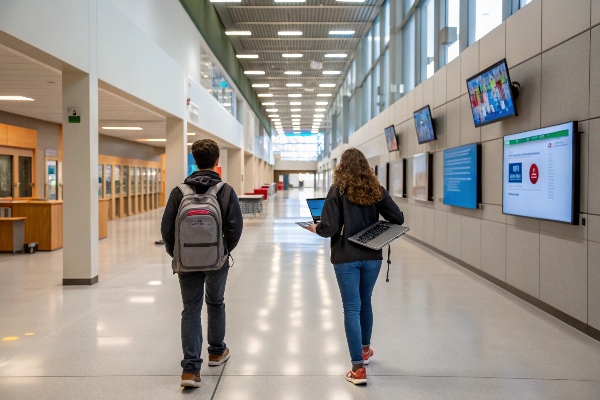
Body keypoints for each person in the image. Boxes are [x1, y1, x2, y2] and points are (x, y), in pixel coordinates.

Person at [305, 148, 404, 385]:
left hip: (345, 257)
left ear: (341, 167)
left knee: (351, 307)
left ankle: (357, 368)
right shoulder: (375, 190)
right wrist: (374, 228)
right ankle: (365, 351)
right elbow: (397, 219)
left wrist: (314, 228)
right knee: (365, 300)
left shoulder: (337, 190)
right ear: (365, 166)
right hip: (372, 257)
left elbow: (328, 227)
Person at [161, 139, 243, 388]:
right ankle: (216, 352)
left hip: (186, 259)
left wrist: (177, 254)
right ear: (217, 161)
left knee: (191, 308)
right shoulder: (225, 191)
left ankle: (190, 370)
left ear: (194, 160)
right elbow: (235, 228)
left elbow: (166, 229)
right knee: (215, 303)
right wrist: (223, 251)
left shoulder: (179, 191)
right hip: (216, 259)